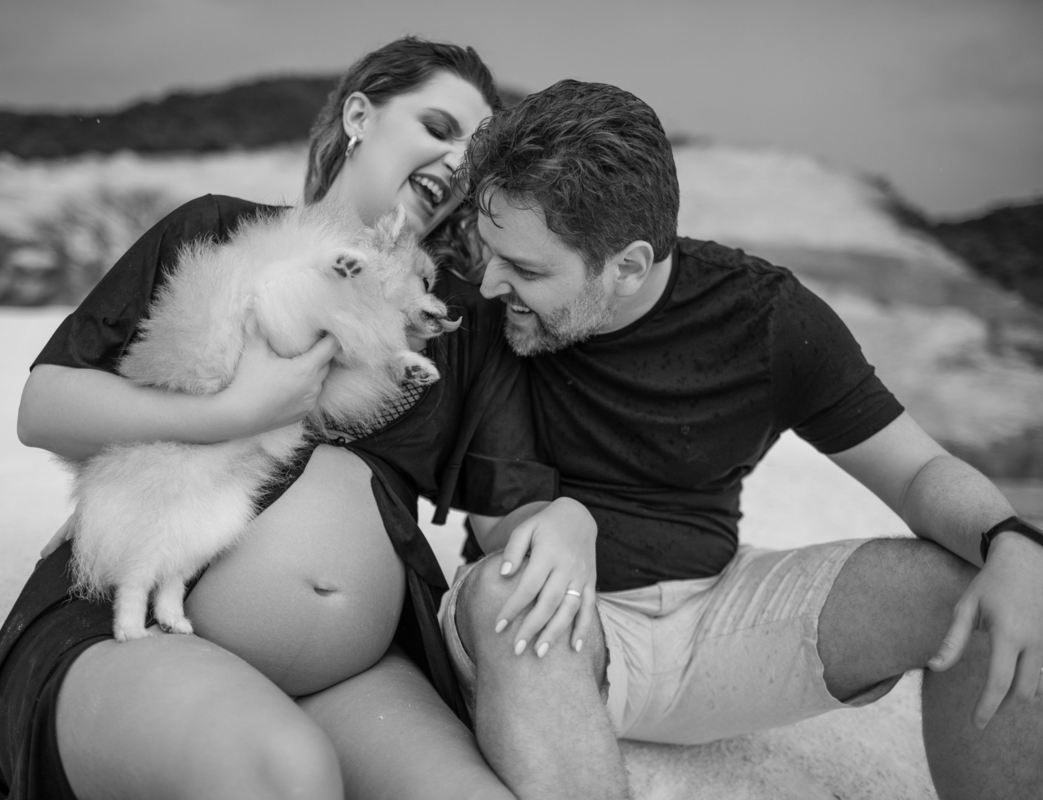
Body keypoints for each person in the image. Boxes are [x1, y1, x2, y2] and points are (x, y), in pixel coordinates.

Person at [0, 38, 565, 800]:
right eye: (439, 127)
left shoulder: (455, 318)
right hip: (147, 627)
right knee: (287, 776)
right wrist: (235, 410)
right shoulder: (215, 230)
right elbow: (44, 407)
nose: (456, 161)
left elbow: (504, 513)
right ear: (360, 116)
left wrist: (568, 521)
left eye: (473, 151)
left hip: (353, 677)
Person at [442, 79, 1043, 800]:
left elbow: (916, 474)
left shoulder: (764, 317)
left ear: (629, 266)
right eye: (491, 253)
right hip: (558, 623)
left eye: (529, 269)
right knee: (506, 594)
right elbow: (495, 511)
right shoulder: (483, 310)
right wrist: (567, 523)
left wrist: (1010, 540)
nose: (489, 285)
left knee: (987, 592)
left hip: (719, 614)